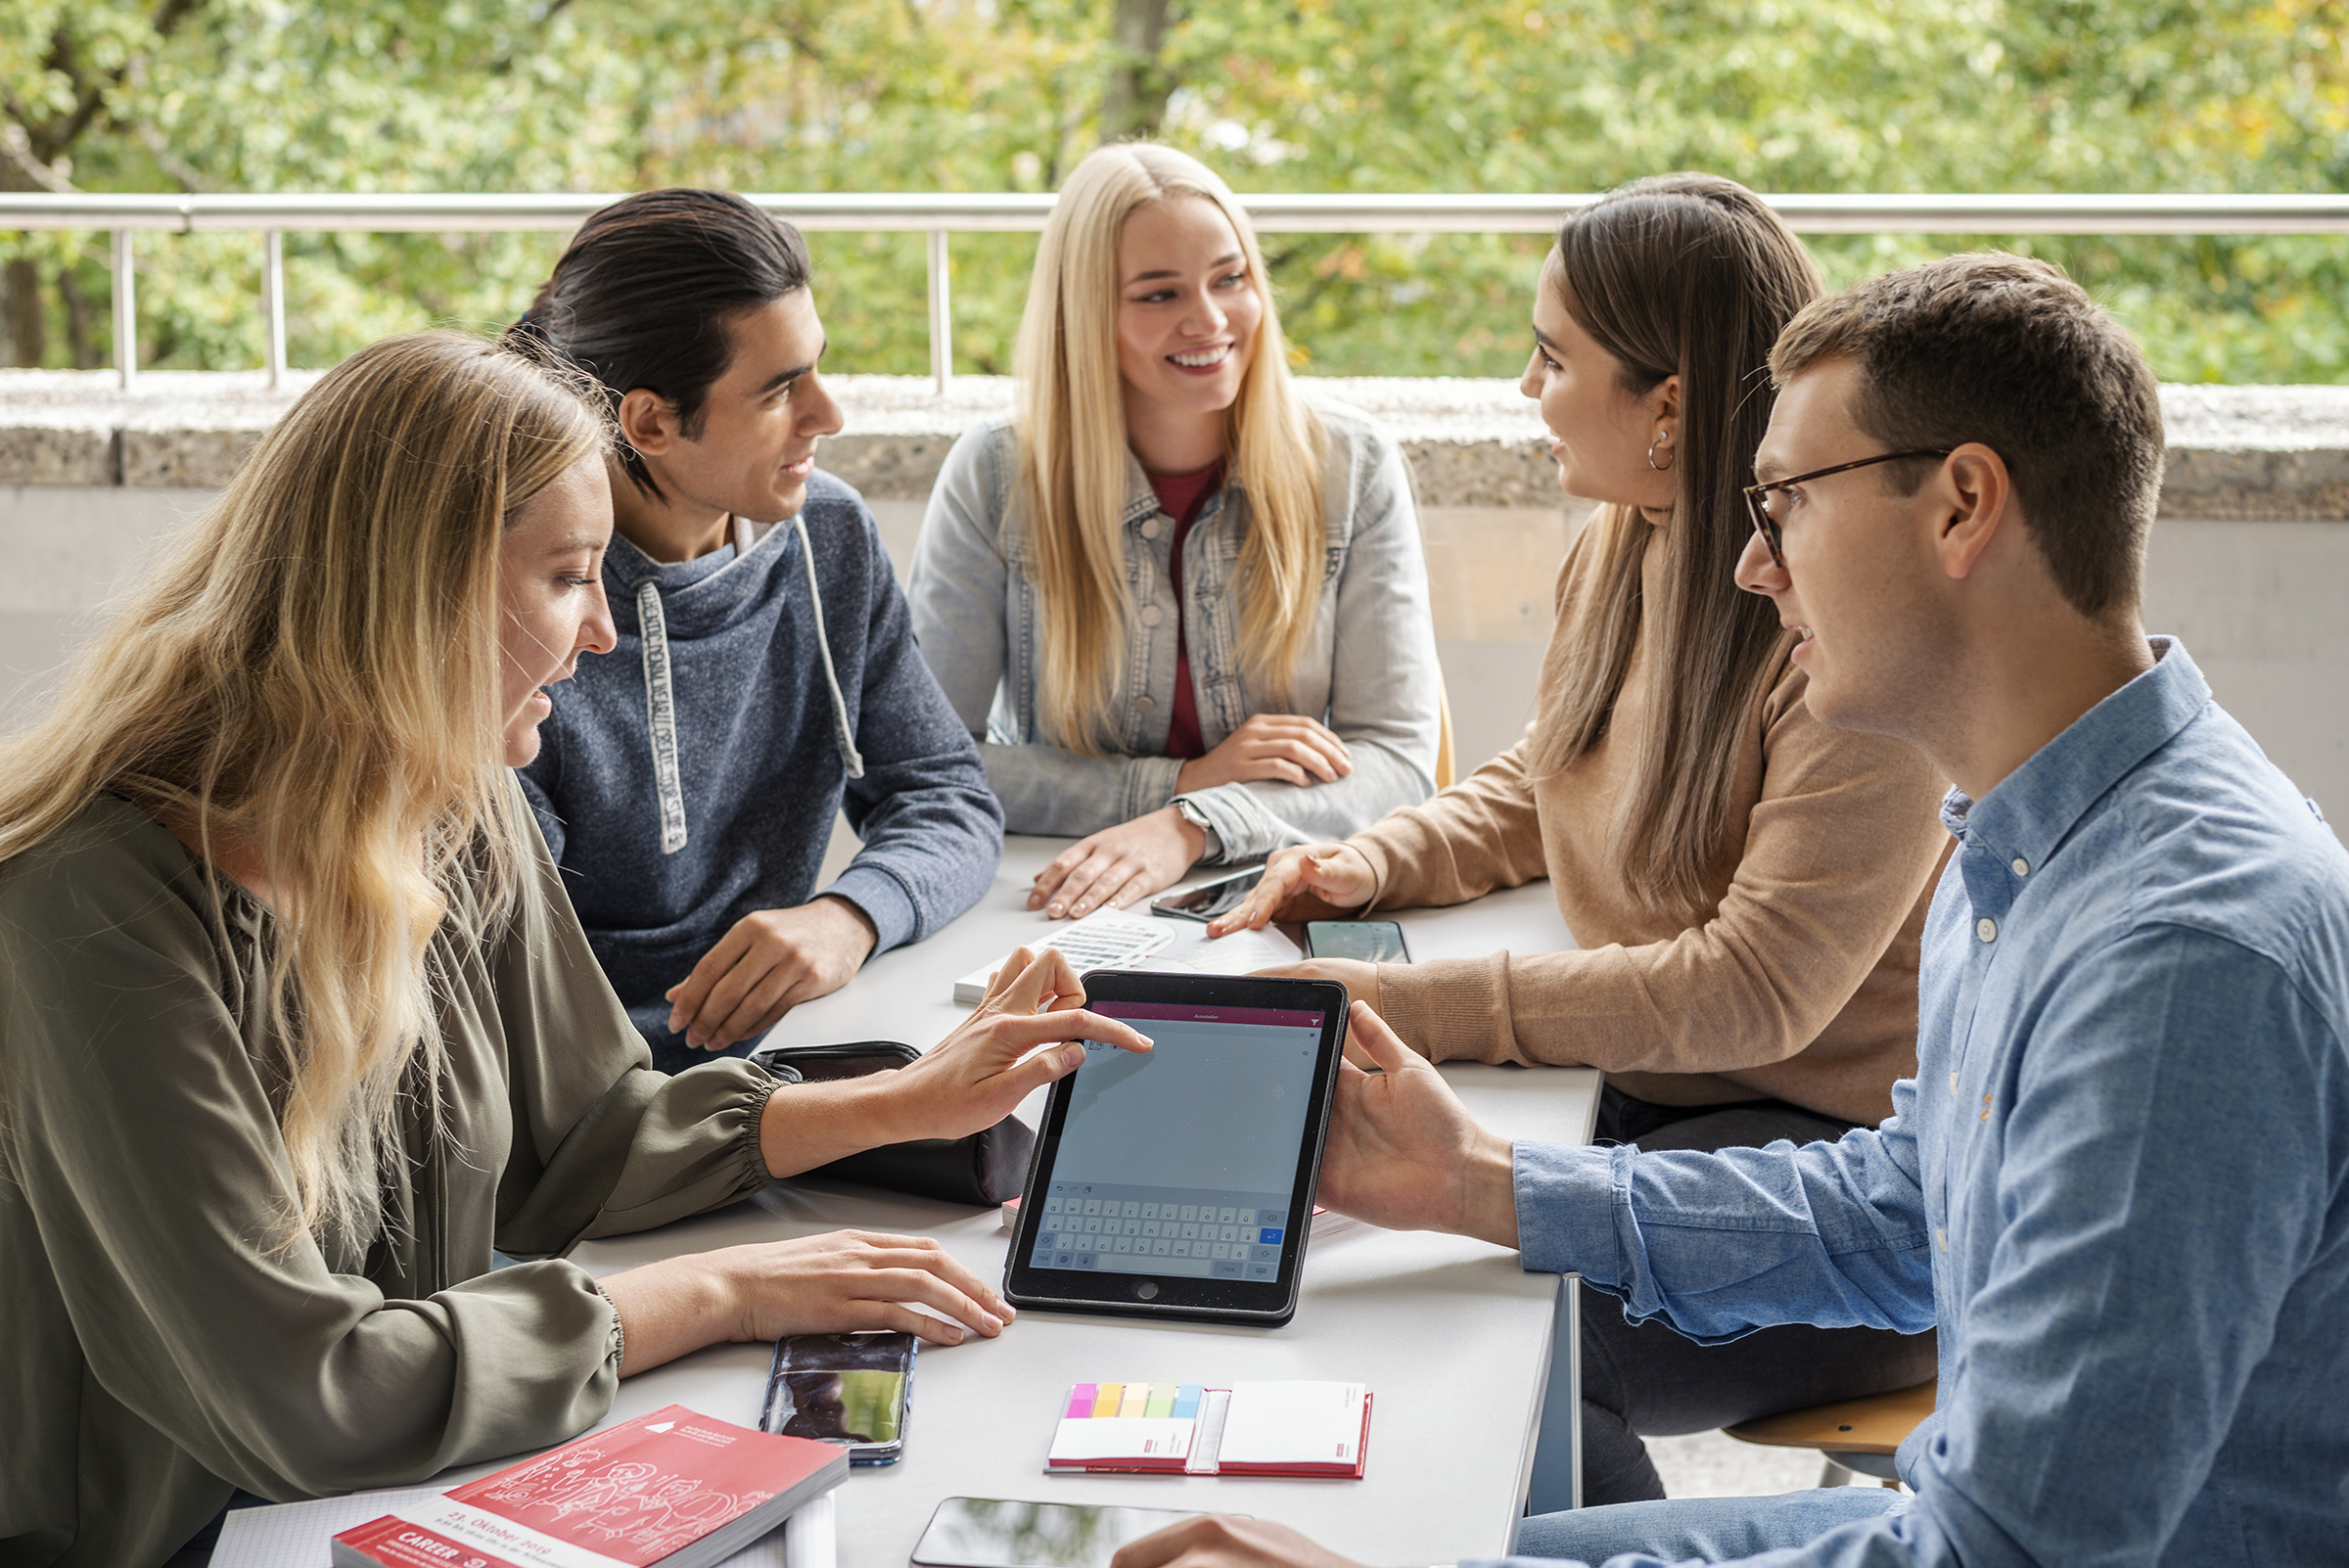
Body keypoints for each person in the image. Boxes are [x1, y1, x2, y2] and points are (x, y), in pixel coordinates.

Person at [1121, 254, 2349, 1568]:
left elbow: (2011, 1556)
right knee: (1465, 1524)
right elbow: (1901, 1215)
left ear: (1962, 506)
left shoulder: (2180, 960)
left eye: (1785, 505)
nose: (1753, 566)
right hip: (1946, 1521)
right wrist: (1484, 1184)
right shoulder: (2028, 840)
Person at [0, 332, 1149, 1568]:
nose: (602, 631)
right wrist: (715, 1295)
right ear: (407, 595)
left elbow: (585, 1135)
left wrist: (904, 1100)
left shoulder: (445, 794)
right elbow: (309, 1396)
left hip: (397, 1498)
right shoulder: (87, 903)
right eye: (566, 577)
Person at [1212, 174, 1949, 1504]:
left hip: (1836, 1189)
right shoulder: (1626, 540)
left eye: (1553, 358)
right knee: (1346, 1257)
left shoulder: (1839, 624)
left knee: (1507, 1341)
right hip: (1663, 1109)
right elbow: (1555, 766)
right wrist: (1373, 862)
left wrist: (1400, 1000)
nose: (1523, 387)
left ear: (1666, 405)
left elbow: (1752, 988)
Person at [510, 188, 1003, 1068]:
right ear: (650, 421)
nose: (829, 414)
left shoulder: (829, 533)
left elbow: (948, 795)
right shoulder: (524, 598)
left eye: (816, 366)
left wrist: (850, 915)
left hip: (793, 1055)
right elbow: (509, 965)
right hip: (586, 1097)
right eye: (781, 390)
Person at [907, 143, 1443, 921]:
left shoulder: (1351, 466)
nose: (1211, 319)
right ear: (1087, 314)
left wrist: (1191, 825)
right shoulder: (995, 474)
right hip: (1056, 893)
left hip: (1268, 890)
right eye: (1159, 295)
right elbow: (929, 766)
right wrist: (1181, 783)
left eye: (1231, 278)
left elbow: (1397, 763)